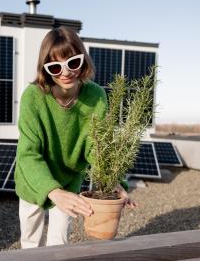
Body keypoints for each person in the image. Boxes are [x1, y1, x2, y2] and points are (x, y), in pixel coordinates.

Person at [14, 26, 137, 249]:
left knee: (59, 244)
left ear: (83, 60)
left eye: (72, 62)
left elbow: (98, 147)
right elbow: (28, 153)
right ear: (45, 68)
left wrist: (113, 182)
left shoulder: (96, 95)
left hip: (69, 179)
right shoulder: (33, 97)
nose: (66, 72)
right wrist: (52, 191)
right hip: (33, 181)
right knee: (30, 243)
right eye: (55, 66)